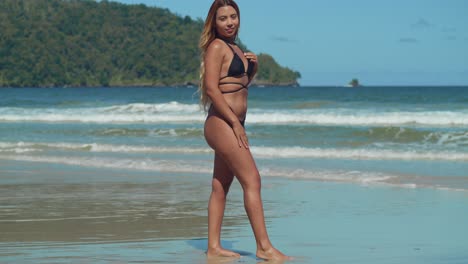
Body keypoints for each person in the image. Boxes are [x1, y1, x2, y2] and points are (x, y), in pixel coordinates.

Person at [198, 0, 291, 261]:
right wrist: (235, 123)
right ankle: (264, 247)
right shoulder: (216, 47)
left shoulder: (235, 48)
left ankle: (214, 247)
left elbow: (236, 86)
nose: (229, 22)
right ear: (214, 23)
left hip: (230, 123)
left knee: (220, 186)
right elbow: (212, 90)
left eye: (233, 17)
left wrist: (255, 69)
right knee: (253, 180)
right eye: (223, 18)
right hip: (222, 124)